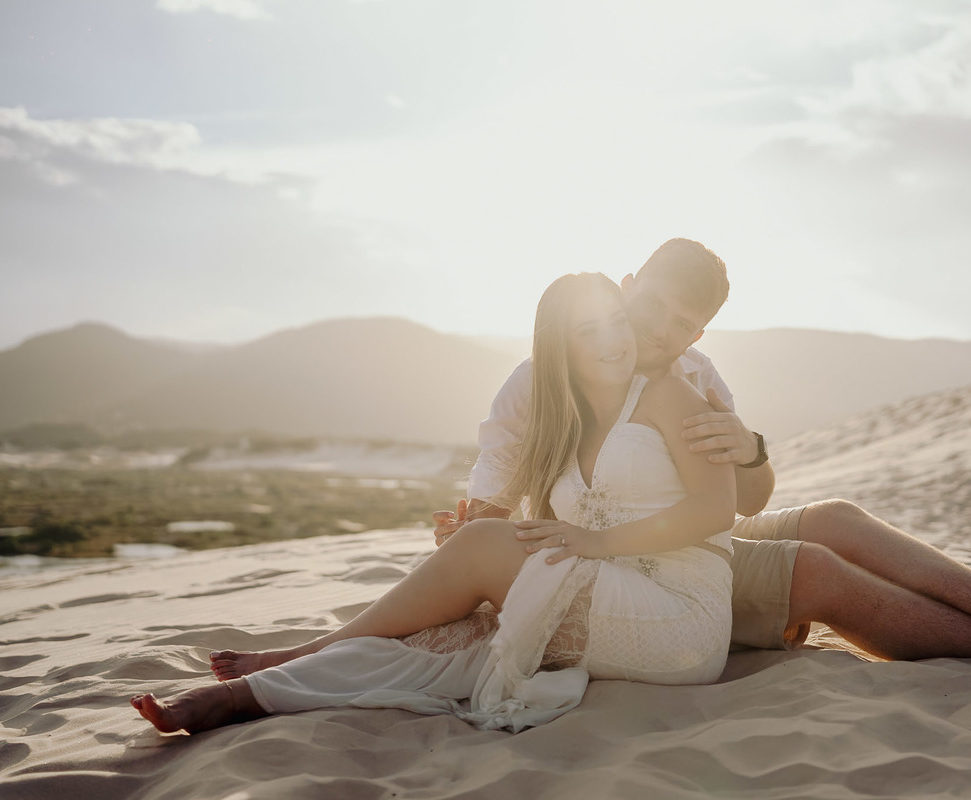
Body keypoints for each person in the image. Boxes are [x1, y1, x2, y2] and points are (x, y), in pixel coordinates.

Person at [434, 237, 971, 661]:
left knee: (835, 518)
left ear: (700, 333)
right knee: (813, 569)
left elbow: (749, 502)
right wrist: (471, 538)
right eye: (656, 307)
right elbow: (494, 485)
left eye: (685, 324)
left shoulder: (696, 376)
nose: (663, 331)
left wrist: (749, 451)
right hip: (623, 561)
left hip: (686, 537)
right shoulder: (542, 378)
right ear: (629, 286)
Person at [133, 272, 739, 734]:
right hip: (611, 593)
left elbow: (717, 508)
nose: (614, 341)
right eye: (589, 330)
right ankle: (252, 694)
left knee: (482, 557)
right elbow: (550, 514)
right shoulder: (562, 420)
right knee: (446, 642)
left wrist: (587, 542)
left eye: (616, 322)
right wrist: (483, 535)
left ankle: (307, 649)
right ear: (561, 348)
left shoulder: (671, 393)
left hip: (681, 618)